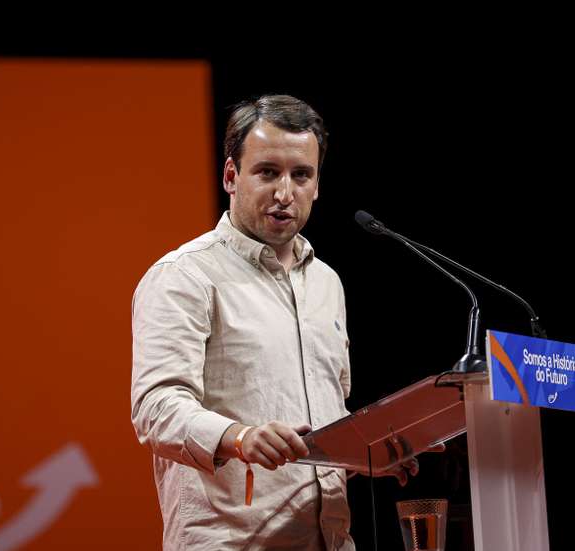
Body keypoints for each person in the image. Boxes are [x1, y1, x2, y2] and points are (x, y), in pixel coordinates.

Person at [131, 94, 417, 550]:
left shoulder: (327, 283)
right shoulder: (184, 276)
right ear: (231, 176)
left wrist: (371, 449)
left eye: (300, 175)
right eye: (268, 172)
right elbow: (156, 408)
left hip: (332, 540)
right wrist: (239, 437)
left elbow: (327, 413)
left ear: (317, 184)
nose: (285, 193)